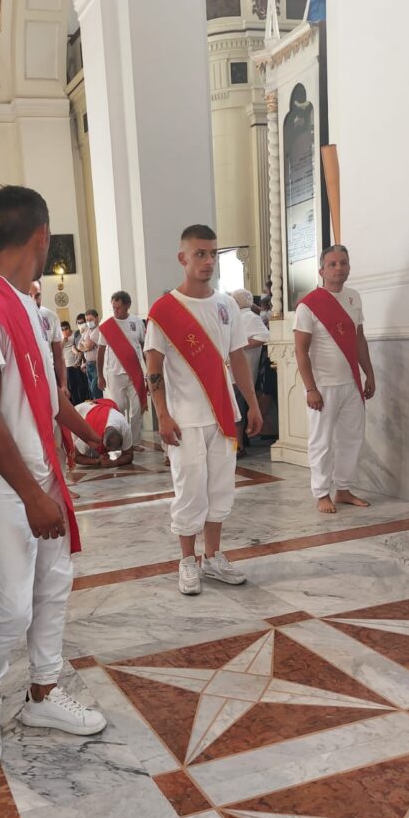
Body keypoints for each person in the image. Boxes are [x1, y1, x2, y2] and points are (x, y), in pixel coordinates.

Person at [0, 185, 107, 768]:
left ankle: (43, 692)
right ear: (41, 238)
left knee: (53, 586)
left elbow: (43, 398)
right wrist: (31, 496)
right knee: (13, 602)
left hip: (42, 476)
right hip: (4, 486)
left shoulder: (22, 305)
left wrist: (90, 432)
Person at [145, 224, 263, 596]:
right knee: (190, 490)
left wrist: (253, 404)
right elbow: (153, 367)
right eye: (200, 254)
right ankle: (187, 561)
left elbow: (238, 358)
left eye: (212, 253)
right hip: (185, 418)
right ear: (183, 258)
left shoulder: (227, 305)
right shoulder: (165, 310)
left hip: (224, 415)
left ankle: (212, 558)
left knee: (219, 489)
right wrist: (162, 415)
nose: (208, 260)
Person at [293, 244, 375, 514]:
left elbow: (358, 339)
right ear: (322, 270)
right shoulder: (309, 305)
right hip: (323, 386)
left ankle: (343, 489)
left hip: (351, 383)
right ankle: (321, 493)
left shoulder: (354, 298)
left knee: (352, 437)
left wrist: (369, 373)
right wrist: (310, 389)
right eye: (332, 264)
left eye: (343, 263)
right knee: (322, 441)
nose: (339, 268)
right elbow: (300, 351)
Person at [96, 290, 147, 449]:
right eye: (113, 308)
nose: (115, 311)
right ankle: (121, 439)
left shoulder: (137, 322)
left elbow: (144, 346)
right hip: (114, 373)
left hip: (135, 373)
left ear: (127, 306)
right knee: (119, 408)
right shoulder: (108, 325)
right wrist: (100, 376)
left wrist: (150, 372)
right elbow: (101, 351)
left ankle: (135, 442)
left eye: (118, 308)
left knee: (137, 409)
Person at [231, 288, 270, 455]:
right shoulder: (238, 316)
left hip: (241, 372)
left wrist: (238, 346)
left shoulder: (249, 317)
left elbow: (264, 336)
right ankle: (239, 443)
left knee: (237, 411)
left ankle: (238, 447)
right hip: (233, 371)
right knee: (236, 410)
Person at [72, 399, 134, 468]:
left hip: (99, 412)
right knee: (81, 452)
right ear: (102, 436)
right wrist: (97, 461)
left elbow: (129, 455)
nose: (108, 452)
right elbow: (75, 456)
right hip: (77, 415)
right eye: (107, 449)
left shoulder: (125, 428)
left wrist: (115, 462)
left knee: (96, 453)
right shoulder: (90, 432)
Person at [30, 280, 66, 391]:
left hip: (49, 375)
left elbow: (58, 356)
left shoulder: (51, 317)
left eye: (38, 296)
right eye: (29, 296)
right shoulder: (13, 317)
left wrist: (63, 384)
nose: (34, 301)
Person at [60, 320, 87, 404]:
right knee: (72, 386)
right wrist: (64, 341)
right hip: (67, 365)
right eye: (63, 329)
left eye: (66, 328)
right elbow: (58, 350)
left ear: (70, 328)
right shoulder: (60, 337)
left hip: (77, 363)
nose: (65, 331)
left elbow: (78, 345)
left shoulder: (75, 333)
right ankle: (76, 404)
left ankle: (84, 401)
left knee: (81, 384)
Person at [78, 309, 102, 399]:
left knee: (96, 389)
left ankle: (101, 408)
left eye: (90, 320)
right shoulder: (88, 330)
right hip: (88, 364)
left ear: (97, 318)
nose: (88, 322)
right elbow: (79, 345)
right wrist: (85, 345)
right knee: (92, 391)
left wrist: (85, 346)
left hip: (96, 365)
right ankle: (96, 408)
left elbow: (88, 346)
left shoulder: (98, 330)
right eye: (87, 320)